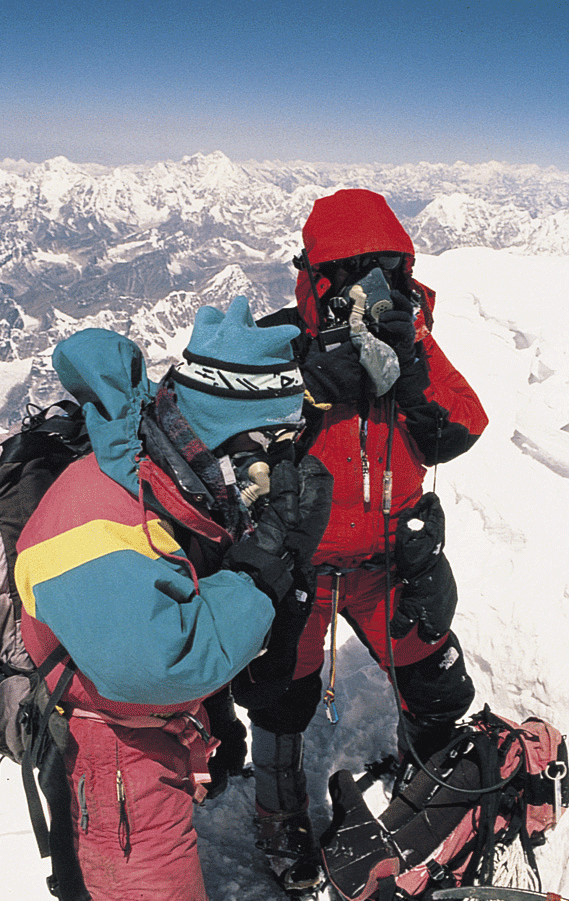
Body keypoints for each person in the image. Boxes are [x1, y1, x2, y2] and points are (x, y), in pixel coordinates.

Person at [14, 296, 332, 901]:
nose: (282, 459)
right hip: (110, 756)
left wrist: (214, 713)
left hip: (155, 727)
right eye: (276, 439)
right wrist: (265, 571)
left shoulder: (187, 484)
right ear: (223, 430)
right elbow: (162, 662)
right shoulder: (96, 516)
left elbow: (190, 594)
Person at [232, 189, 490, 894]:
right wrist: (309, 382)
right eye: (348, 272)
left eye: (382, 270)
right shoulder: (284, 345)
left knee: (435, 677)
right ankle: (281, 820)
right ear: (317, 280)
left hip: (387, 563)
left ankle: (434, 786)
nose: (365, 290)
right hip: (304, 567)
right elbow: (230, 435)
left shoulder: (412, 345)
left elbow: (461, 427)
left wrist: (410, 363)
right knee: (280, 697)